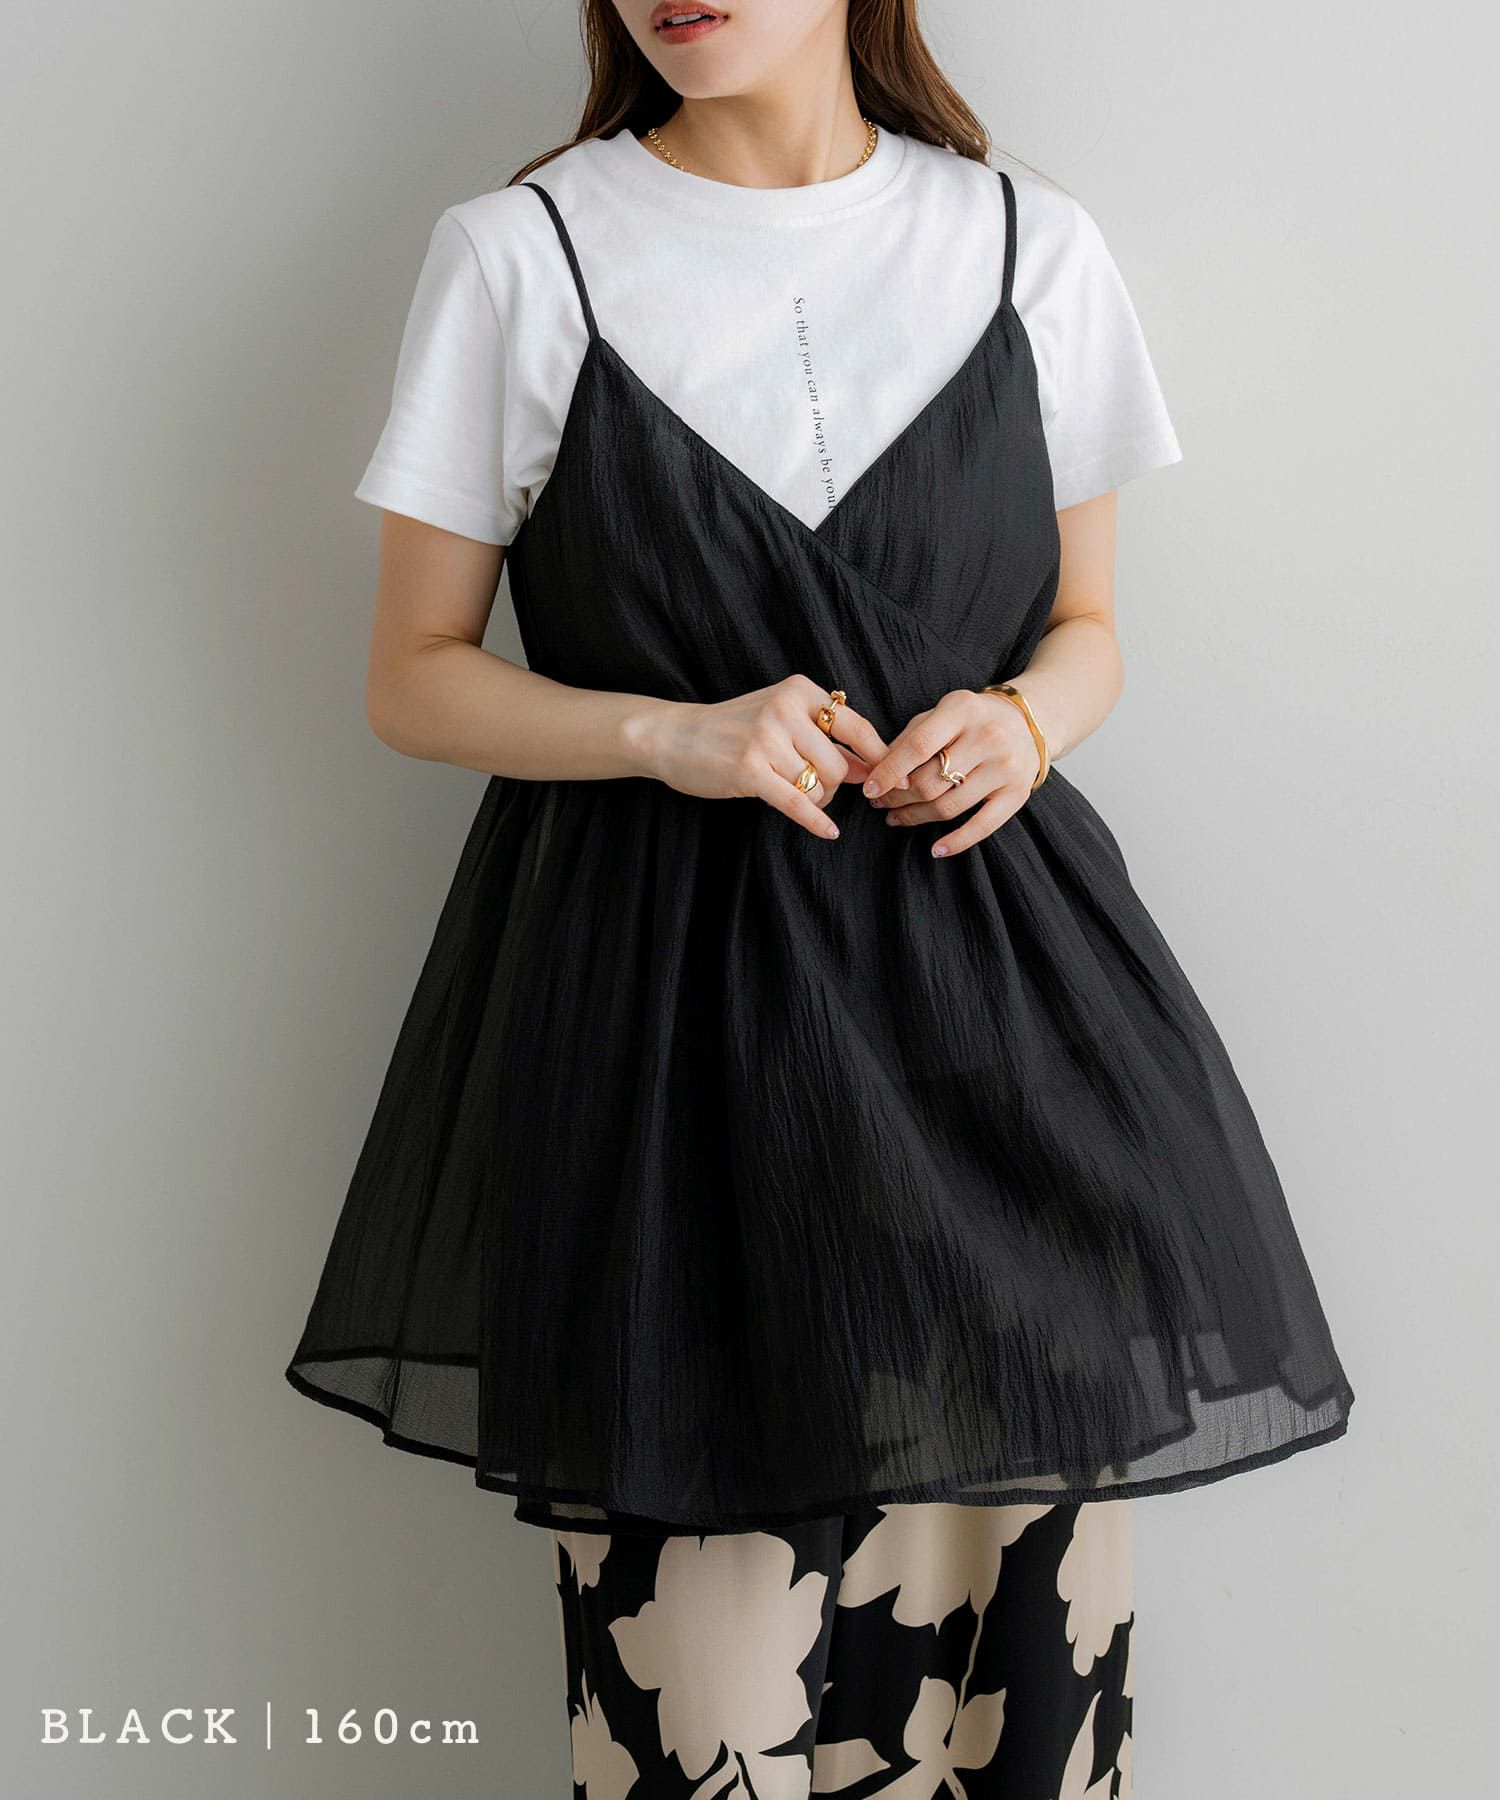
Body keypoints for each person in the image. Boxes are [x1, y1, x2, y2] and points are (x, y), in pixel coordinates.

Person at [284, 1, 1356, 1789]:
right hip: (672, 1063)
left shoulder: (1026, 245)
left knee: (1015, 1711)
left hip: (994, 1045)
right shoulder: (524, 255)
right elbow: (413, 676)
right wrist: (671, 734)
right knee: (706, 1721)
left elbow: (1089, 627)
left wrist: (1023, 723)